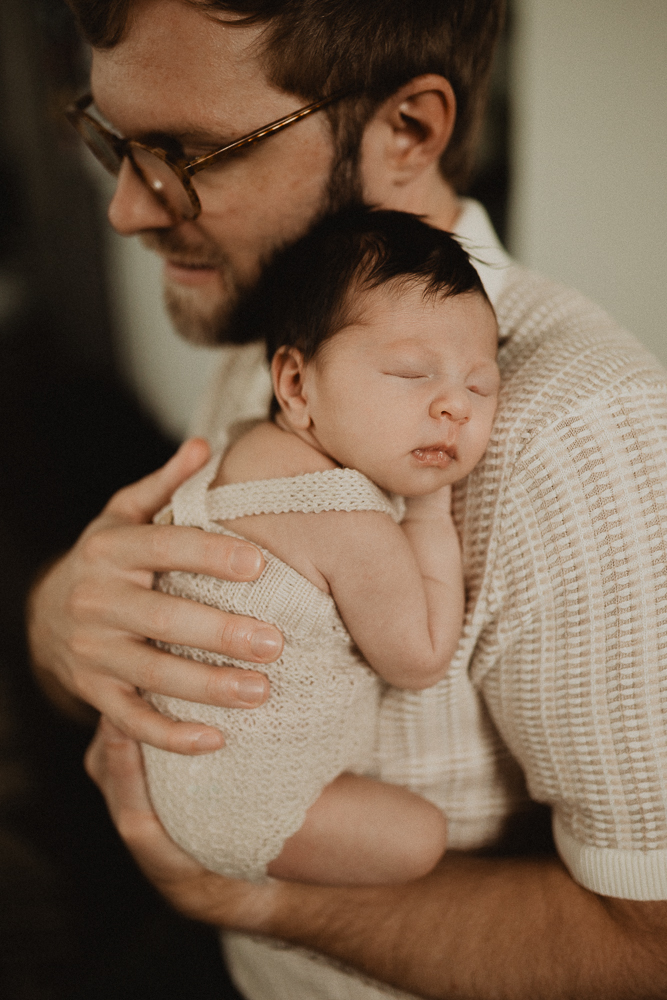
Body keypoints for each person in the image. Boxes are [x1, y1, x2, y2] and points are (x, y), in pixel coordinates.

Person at [28, 1, 667, 998]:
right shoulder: (276, 339)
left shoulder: (580, 432)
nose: (128, 208)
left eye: (188, 153)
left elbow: (649, 946)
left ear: (405, 128)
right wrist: (59, 618)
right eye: (111, 138)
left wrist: (256, 897)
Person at [142, 207, 498, 887]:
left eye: (479, 386)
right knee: (420, 837)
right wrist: (427, 509)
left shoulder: (245, 445)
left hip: (173, 758)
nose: (455, 406)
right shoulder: (344, 519)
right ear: (297, 385)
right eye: (411, 374)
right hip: (248, 806)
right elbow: (419, 659)